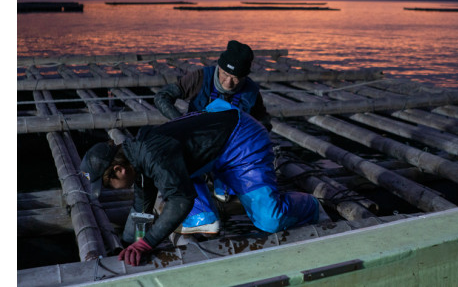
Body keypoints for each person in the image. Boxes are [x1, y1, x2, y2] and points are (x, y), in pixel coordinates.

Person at [80, 99, 319, 266]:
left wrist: (148, 243)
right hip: (211, 148)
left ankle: (309, 205)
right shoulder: (138, 162)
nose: (110, 189)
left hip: (242, 139)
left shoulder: (153, 156)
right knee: (175, 183)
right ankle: (207, 216)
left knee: (270, 220)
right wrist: (127, 245)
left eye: (108, 184)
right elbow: (141, 211)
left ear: (119, 170)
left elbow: (181, 201)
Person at [154, 40, 271, 233]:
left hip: (230, 150)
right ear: (218, 67)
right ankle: (203, 213)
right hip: (198, 144)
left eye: (235, 78)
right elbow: (161, 97)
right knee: (176, 166)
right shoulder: (200, 77)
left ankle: (222, 181)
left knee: (234, 192)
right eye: (225, 74)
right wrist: (182, 123)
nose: (228, 82)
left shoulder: (251, 92)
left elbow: (263, 123)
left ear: (244, 76)